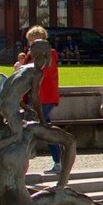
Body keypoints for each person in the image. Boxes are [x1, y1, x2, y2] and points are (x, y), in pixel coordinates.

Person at [24, 26, 64, 174]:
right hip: (34, 97)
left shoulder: (50, 54)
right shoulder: (30, 55)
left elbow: (43, 72)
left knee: (36, 126)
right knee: (45, 128)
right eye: (30, 41)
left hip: (45, 97)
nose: (31, 45)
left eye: (33, 41)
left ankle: (28, 153)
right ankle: (59, 161)